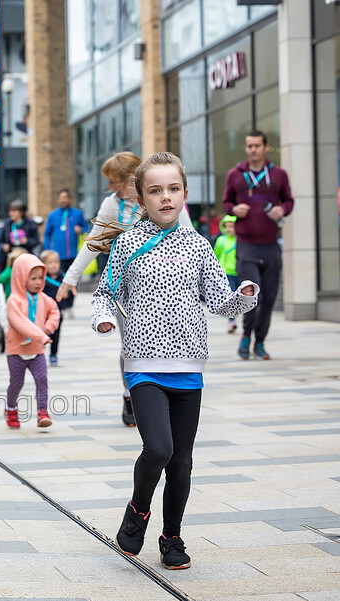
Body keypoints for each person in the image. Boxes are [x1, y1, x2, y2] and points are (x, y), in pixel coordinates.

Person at [90, 152, 258, 571]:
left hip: (189, 368)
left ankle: (172, 536)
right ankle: (138, 510)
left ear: (184, 192)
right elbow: (104, 293)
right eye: (155, 190)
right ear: (141, 198)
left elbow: (220, 303)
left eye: (173, 189)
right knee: (159, 449)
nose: (165, 197)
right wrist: (106, 318)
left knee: (182, 460)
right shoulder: (128, 242)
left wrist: (244, 297)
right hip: (143, 364)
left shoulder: (199, 246)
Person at [58, 151, 192, 427]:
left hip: (166, 287)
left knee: (167, 339)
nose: (110, 187)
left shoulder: (164, 199)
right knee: (130, 344)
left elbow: (189, 240)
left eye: (114, 181)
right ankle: (130, 395)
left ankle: (166, 393)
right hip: (127, 289)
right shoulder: (112, 204)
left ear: (131, 180)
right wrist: (69, 279)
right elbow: (93, 241)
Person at [222, 130, 293, 361]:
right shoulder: (235, 175)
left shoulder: (279, 174)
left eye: (257, 145)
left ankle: (260, 342)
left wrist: (283, 209)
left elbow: (289, 200)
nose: (253, 149)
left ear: (266, 148)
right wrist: (233, 209)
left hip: (270, 245)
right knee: (253, 295)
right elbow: (226, 202)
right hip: (247, 245)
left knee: (270, 297)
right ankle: (245, 335)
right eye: (249, 146)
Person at [4, 252, 60, 429]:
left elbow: (55, 312)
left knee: (42, 379)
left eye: (40, 278)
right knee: (16, 383)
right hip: (16, 351)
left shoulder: (44, 298)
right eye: (33, 278)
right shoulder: (14, 301)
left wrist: (48, 328)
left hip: (37, 350)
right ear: (21, 278)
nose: (38, 282)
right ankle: (10, 408)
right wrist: (41, 336)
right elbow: (19, 323)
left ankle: (42, 412)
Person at [39, 249, 67, 366]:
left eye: (56, 262)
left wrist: (67, 295)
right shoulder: (41, 279)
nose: (54, 265)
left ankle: (53, 354)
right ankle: (40, 353)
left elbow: (70, 293)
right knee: (43, 333)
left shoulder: (64, 278)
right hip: (44, 313)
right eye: (50, 262)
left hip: (58, 312)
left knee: (56, 334)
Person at [213, 215, 239, 334]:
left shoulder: (240, 240)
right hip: (227, 274)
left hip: (240, 272)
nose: (229, 229)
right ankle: (231, 321)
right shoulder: (220, 240)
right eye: (226, 226)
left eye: (232, 226)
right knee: (231, 298)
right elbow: (215, 257)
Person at [0, 199, 39, 266]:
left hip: (26, 257)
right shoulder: (7, 224)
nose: (11, 213)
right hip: (10, 258)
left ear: (22, 212)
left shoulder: (30, 224)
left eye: (14, 211)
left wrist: (27, 241)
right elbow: (0, 241)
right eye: (10, 211)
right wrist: (4, 246)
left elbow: (36, 241)